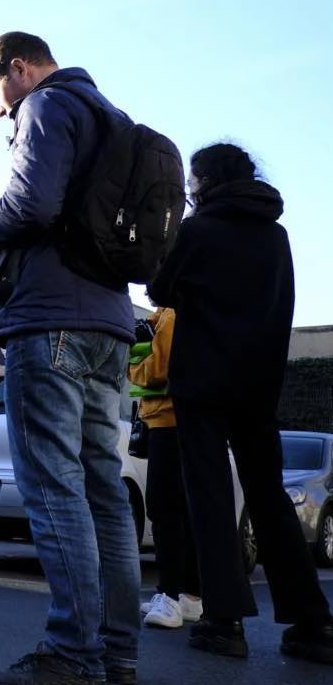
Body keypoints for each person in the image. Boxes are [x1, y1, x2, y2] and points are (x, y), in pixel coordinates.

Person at [0, 33, 142, 684]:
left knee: (55, 488)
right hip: (110, 328)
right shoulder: (109, 116)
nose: (0, 110)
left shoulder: (46, 106)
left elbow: (33, 205)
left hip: (52, 322)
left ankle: (71, 652)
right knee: (104, 495)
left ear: (19, 67)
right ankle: (117, 652)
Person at [149, 143, 333, 663]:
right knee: (269, 497)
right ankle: (313, 622)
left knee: (207, 497)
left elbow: (159, 287)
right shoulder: (276, 236)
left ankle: (223, 621)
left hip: (201, 383)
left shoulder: (197, 230)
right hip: (258, 384)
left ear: (202, 183)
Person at [127, 306, 203, 629]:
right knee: (182, 509)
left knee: (162, 506)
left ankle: (169, 595)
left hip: (165, 421)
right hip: (181, 421)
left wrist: (133, 364)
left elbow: (156, 369)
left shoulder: (170, 316)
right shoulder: (173, 315)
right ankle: (189, 596)